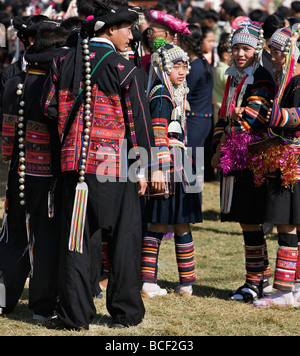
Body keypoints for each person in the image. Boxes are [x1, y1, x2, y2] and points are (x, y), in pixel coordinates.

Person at [41, 3, 159, 330]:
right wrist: (147, 168)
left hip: (73, 166)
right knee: (124, 239)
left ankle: (75, 316)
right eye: (127, 29)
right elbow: (139, 123)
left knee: (76, 244)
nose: (132, 36)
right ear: (110, 30)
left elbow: (48, 106)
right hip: (114, 168)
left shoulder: (61, 61)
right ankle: (126, 313)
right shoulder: (126, 69)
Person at [0, 19, 69, 320]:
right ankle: (42, 307)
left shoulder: (15, 83)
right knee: (45, 242)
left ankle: (3, 300)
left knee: (14, 236)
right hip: (48, 179)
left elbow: (6, 137)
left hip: (18, 174)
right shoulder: (54, 88)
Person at [211, 21, 275, 303]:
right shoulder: (233, 78)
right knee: (246, 222)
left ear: (257, 50)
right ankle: (261, 278)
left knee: (251, 220)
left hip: (253, 157)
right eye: (235, 48)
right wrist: (218, 145)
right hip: (235, 156)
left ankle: (255, 281)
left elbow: (251, 119)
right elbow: (225, 116)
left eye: (246, 49)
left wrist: (235, 121)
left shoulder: (260, 77)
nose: (239, 53)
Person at [140, 38, 202, 299]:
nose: (182, 71)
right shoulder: (161, 95)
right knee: (160, 223)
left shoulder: (173, 94)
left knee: (179, 223)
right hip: (168, 166)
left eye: (184, 66)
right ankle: (150, 281)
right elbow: (157, 136)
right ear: (163, 68)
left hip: (179, 164)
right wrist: (159, 170)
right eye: (176, 66)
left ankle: (184, 283)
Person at [251, 27, 300, 308]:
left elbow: (297, 117)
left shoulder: (296, 81)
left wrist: (278, 115)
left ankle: (283, 290)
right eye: (272, 52)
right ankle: (293, 286)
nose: (275, 57)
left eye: (278, 52)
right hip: (290, 161)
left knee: (287, 224)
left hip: (290, 162)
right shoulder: (288, 80)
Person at [178, 24, 214, 178]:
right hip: (202, 120)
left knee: (190, 167)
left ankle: (192, 200)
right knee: (195, 167)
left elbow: (184, 93)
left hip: (195, 121)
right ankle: (195, 199)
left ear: (185, 43)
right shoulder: (202, 63)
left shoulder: (195, 67)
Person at [213, 32, 230, 122]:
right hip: (224, 112)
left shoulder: (216, 68)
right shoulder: (226, 72)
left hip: (217, 109)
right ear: (225, 55)